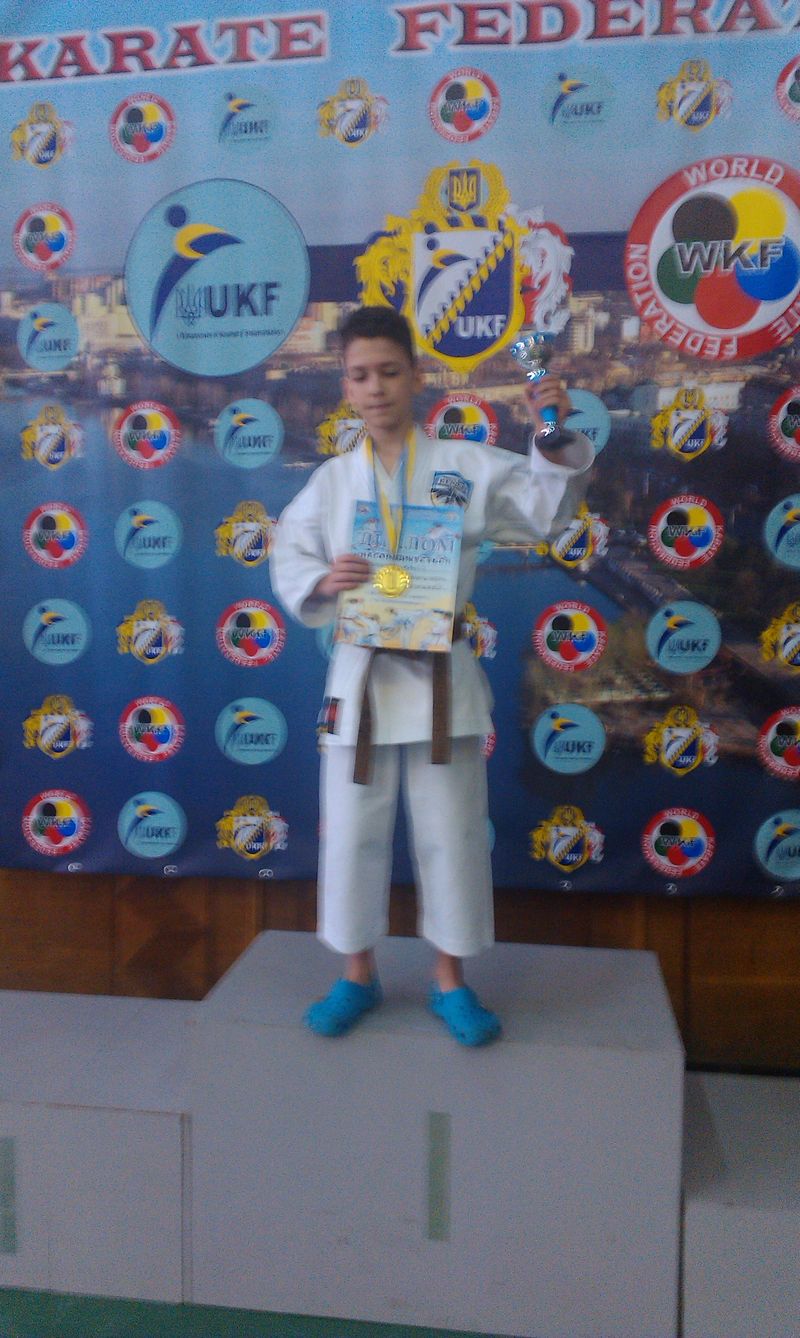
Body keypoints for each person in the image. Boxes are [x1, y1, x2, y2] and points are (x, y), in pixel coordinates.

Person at [270, 306, 593, 1045]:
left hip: (443, 678)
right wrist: (322, 581)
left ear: (416, 376)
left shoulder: (464, 466)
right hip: (361, 681)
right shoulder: (332, 481)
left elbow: (544, 514)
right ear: (344, 386)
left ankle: (450, 980)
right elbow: (291, 553)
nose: (375, 387)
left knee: (451, 834)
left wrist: (550, 437)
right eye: (359, 375)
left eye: (389, 371)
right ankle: (357, 974)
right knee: (352, 833)